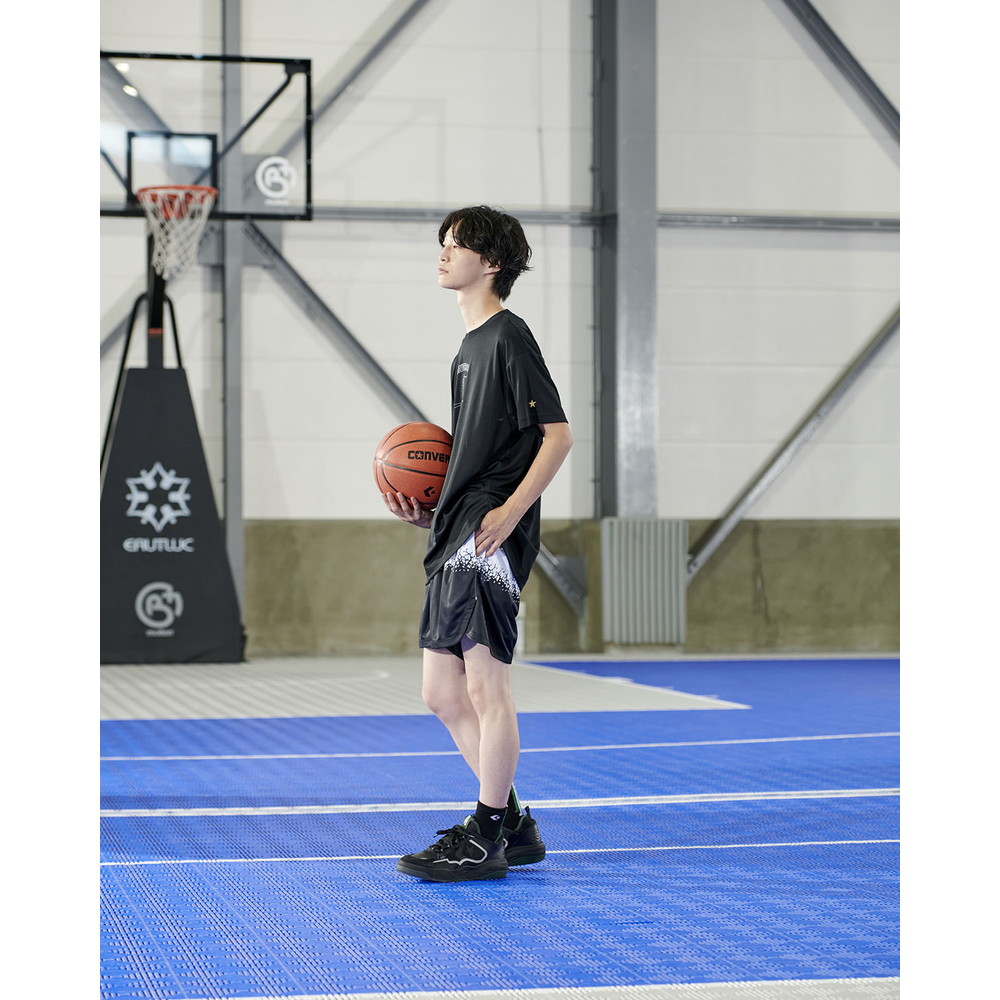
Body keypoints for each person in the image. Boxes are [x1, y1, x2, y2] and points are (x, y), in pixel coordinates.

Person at [383, 205, 573, 881]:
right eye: (443, 242)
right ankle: (514, 825)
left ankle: (486, 836)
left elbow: (558, 436)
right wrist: (434, 515)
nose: (443, 252)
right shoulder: (469, 347)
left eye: (457, 244)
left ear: (490, 263)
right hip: (458, 529)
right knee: (442, 693)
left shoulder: (507, 337)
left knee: (488, 687)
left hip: (487, 537)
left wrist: (511, 511)